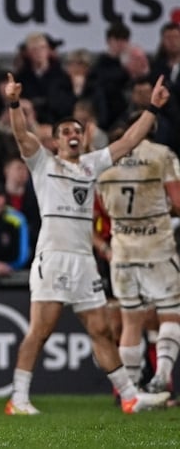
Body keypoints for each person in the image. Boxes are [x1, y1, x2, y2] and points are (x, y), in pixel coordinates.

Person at [3, 72, 172, 415]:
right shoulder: (42, 163)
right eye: (66, 132)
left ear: (85, 136)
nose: (73, 135)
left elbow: (128, 142)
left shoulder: (92, 166)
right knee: (41, 330)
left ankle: (129, 397)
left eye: (78, 131)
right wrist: (13, 102)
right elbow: (21, 134)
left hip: (83, 261)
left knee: (101, 330)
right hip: (53, 258)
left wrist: (152, 107)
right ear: (55, 141)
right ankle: (18, 399)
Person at [96, 125, 180, 394]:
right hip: (157, 246)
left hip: (122, 250)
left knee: (130, 322)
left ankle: (129, 392)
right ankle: (162, 376)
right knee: (170, 313)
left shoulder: (104, 161)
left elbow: (97, 209)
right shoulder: (161, 154)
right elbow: (177, 201)